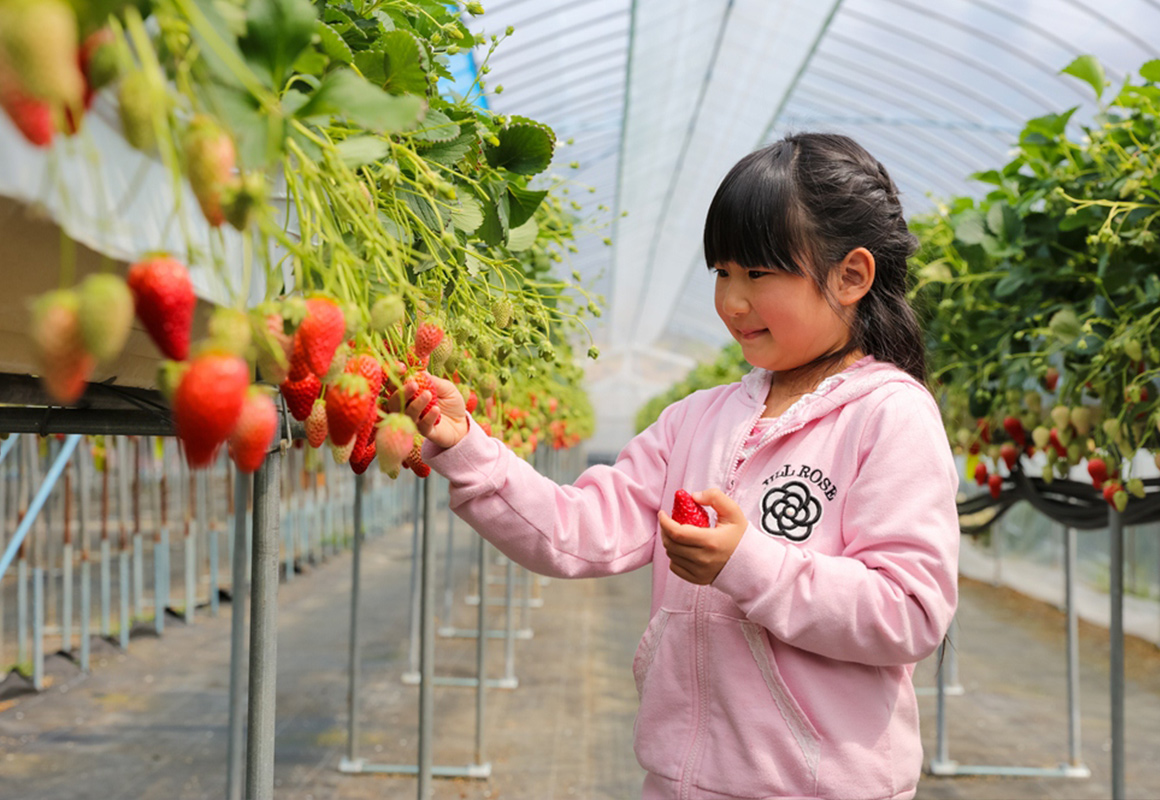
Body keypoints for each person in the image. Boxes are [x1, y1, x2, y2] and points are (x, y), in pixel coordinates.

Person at [398, 132, 960, 800]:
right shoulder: (695, 420)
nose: (732, 301)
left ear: (850, 276)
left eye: (758, 274)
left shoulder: (890, 417)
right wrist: (468, 447)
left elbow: (908, 612)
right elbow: (578, 528)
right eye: (722, 273)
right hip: (678, 781)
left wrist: (747, 564)